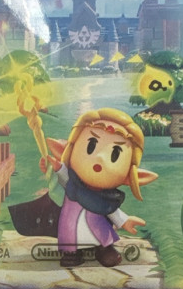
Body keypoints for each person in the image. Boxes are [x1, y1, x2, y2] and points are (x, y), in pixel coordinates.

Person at [40, 108, 157, 267]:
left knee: (102, 236)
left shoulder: (106, 198)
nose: (100, 158)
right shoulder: (73, 184)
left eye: (115, 154)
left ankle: (104, 250)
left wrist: (125, 221)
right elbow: (63, 179)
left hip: (97, 226)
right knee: (70, 238)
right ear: (69, 150)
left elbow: (112, 211)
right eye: (91, 146)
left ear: (129, 176)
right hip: (70, 221)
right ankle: (71, 253)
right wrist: (56, 168)